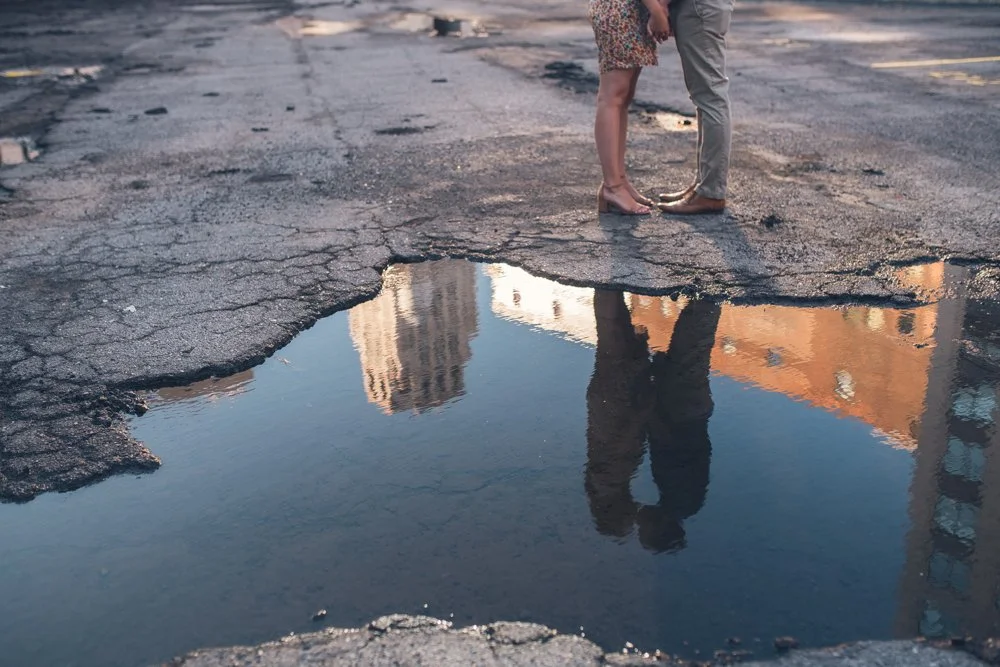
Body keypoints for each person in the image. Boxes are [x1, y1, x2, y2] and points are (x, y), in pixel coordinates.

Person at [584, 290, 722, 552]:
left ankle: (708, 295)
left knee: (690, 348)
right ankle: (709, 293)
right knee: (687, 348)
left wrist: (647, 396)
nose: (638, 523)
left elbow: (638, 438)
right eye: (642, 531)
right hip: (675, 409)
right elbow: (671, 443)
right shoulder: (677, 498)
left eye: (632, 525)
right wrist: (650, 398)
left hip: (674, 409)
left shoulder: (678, 499)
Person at [590, 0, 671, 215]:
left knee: (622, 99)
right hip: (619, 11)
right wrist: (656, 9)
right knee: (612, 98)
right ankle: (612, 187)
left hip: (630, 11)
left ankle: (618, 181)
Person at [655, 0, 734, 215]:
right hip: (701, 7)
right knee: (705, 98)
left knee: (710, 97)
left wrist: (661, 5)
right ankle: (703, 185)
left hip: (699, 7)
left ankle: (710, 192)